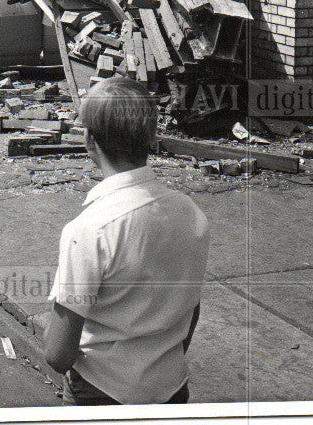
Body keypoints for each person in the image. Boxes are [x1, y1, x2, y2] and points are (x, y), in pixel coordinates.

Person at [42, 78, 209, 406]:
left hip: (102, 393)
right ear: (151, 137)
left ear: (90, 141)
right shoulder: (191, 212)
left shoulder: (88, 230)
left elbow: (58, 355)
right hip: (172, 388)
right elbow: (191, 309)